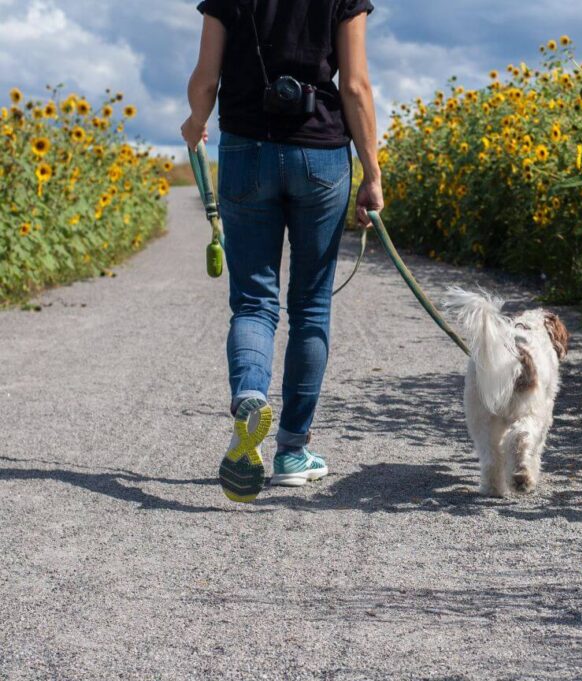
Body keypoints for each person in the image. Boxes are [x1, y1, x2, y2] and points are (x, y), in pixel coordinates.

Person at [181, 0, 383, 503]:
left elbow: (206, 77)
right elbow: (355, 85)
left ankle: (250, 395)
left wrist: (195, 121)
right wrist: (372, 172)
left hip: (246, 149)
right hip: (321, 153)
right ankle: (292, 452)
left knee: (253, 301)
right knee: (311, 306)